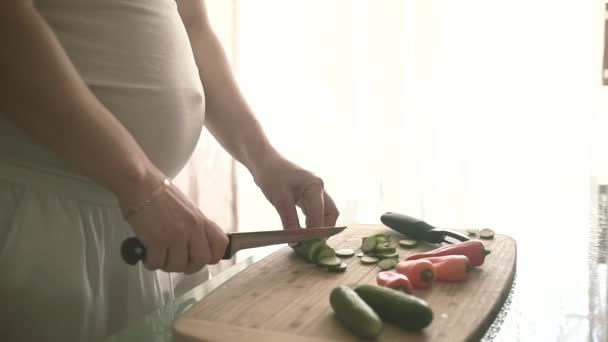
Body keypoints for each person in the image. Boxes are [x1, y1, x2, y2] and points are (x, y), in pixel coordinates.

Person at [0, 1, 340, 341]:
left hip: (150, 220)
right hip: (39, 221)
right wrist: (140, 184)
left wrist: (265, 159)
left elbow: (193, 26)